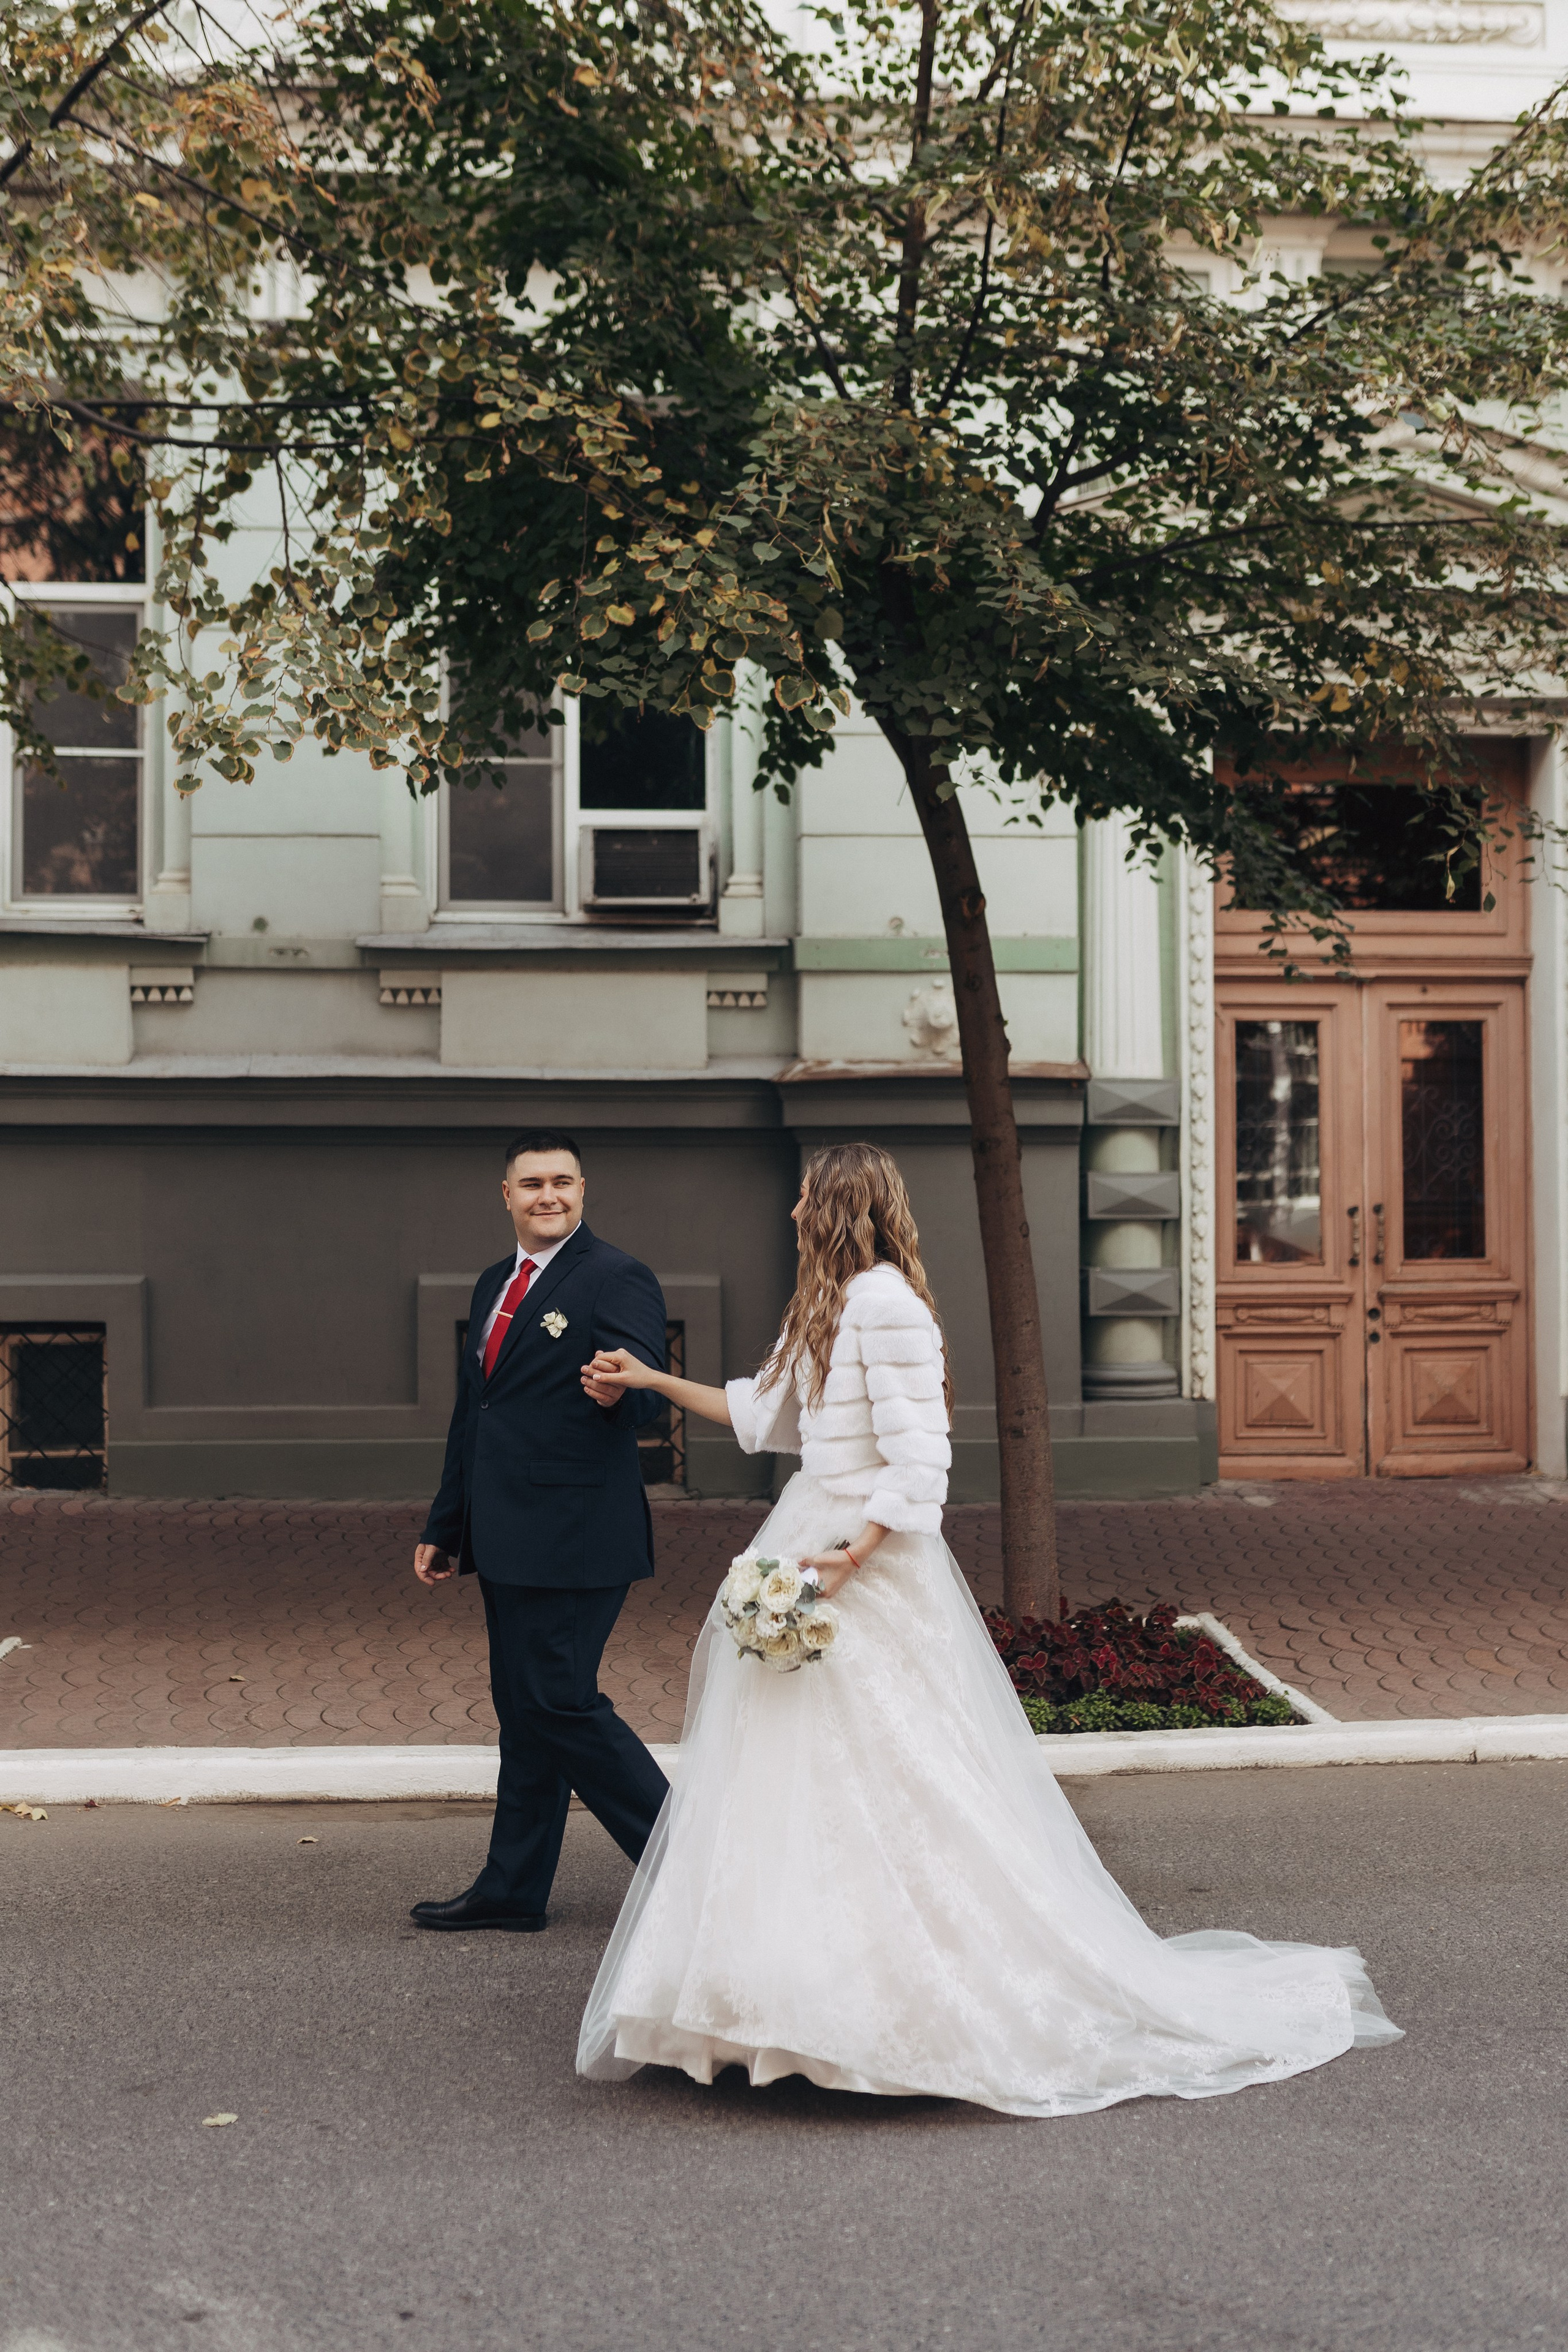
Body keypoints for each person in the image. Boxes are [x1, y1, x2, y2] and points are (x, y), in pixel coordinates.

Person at [574, 1140, 1401, 2117]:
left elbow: (923, 1456)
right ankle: (759, 2005)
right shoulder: (822, 1307)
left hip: (863, 1560)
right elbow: (765, 1420)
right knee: (782, 1771)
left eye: (804, 1200)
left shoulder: (887, 1306)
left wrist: (854, 1554)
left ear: (836, 1208)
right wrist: (652, 1381)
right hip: (808, 1537)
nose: (793, 1213)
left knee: (900, 1773)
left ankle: (890, 2007)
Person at [410, 1129, 671, 1934]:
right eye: (532, 1184)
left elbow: (648, 1390)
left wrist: (619, 1391)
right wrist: (447, 1523)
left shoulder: (616, 1276)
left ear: (583, 1190)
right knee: (525, 1712)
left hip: (578, 1534)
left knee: (558, 1702)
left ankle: (691, 1863)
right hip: (503, 1535)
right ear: (508, 1195)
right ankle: (514, 1889)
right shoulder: (496, 1281)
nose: (548, 1195)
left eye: (562, 1181)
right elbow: (476, 1414)